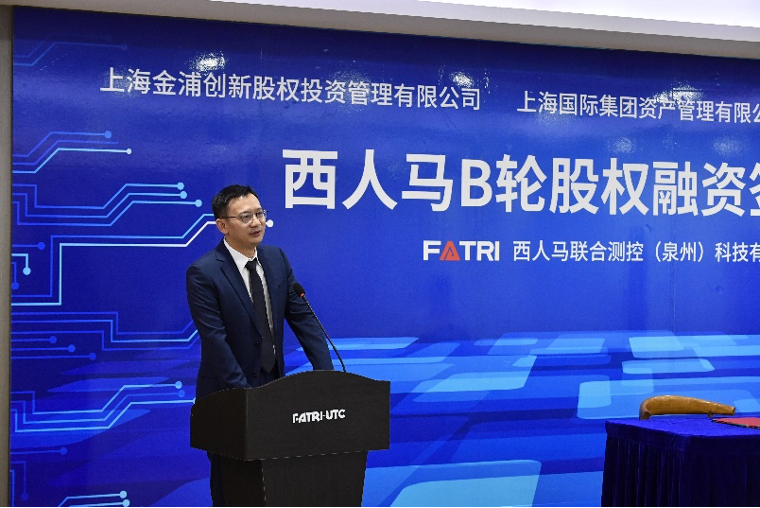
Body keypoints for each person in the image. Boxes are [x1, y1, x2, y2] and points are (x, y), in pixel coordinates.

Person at [186, 184, 334, 506]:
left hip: (273, 390)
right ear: (222, 225)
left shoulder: (276, 259)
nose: (256, 222)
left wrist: (327, 375)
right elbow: (215, 342)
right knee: (234, 489)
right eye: (245, 217)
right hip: (227, 397)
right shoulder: (204, 273)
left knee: (273, 487)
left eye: (259, 213)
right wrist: (248, 401)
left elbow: (303, 319)